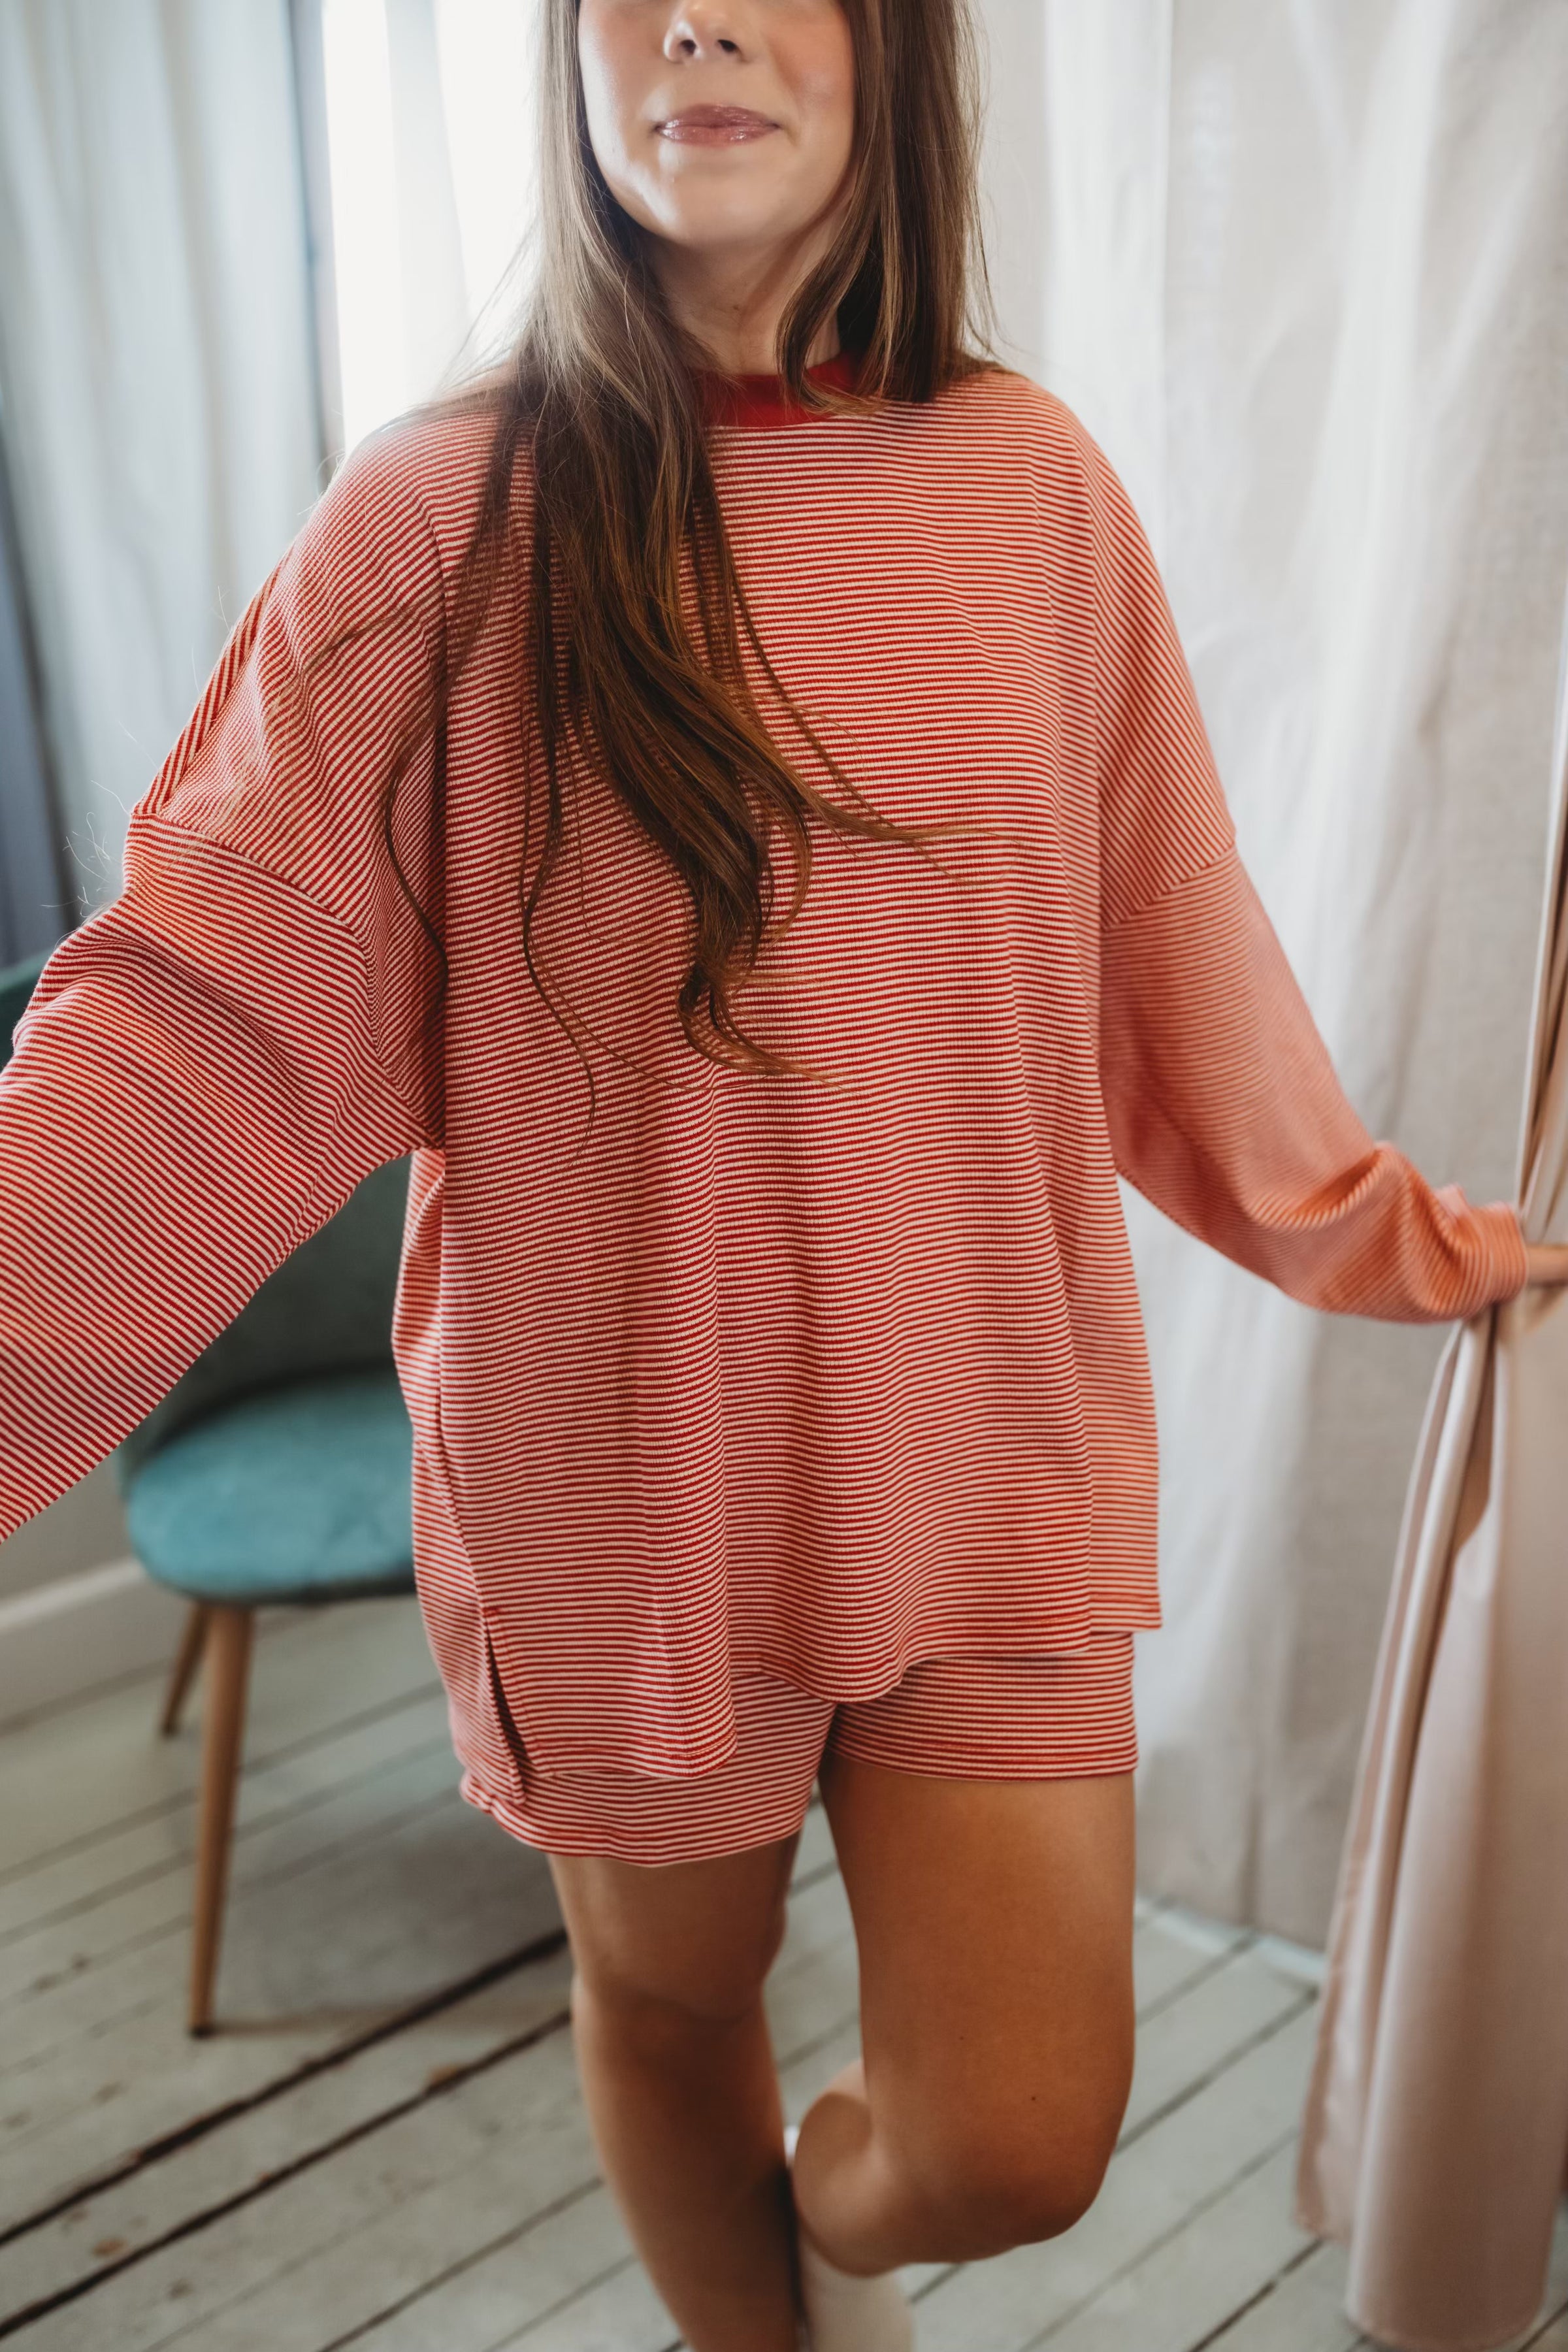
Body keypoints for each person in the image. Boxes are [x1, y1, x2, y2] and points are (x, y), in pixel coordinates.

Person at [2, 1, 1564, 2345]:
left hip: (985, 1441)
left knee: (1015, 2142)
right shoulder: (440, 520)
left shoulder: (1032, 489)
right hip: (615, 1481)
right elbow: (196, 1026)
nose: (701, 18)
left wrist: (1410, 1236)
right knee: (672, 2007)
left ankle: (824, 2259)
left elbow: (1172, 936)